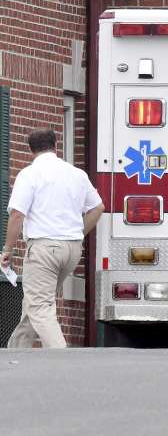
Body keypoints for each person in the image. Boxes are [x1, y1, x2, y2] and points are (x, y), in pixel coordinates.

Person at [1, 129, 104, 349]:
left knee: (39, 306)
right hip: (72, 250)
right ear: (56, 146)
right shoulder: (77, 174)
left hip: (44, 249)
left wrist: (7, 249)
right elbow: (97, 207)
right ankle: (15, 353)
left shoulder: (30, 174)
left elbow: (17, 214)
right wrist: (77, 234)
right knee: (34, 303)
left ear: (31, 150)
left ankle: (61, 357)